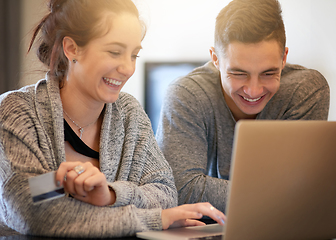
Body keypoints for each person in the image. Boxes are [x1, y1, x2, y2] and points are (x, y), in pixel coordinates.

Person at [0, 0, 226, 238]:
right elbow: (29, 211)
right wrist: (151, 219)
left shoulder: (129, 114)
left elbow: (165, 193)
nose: (128, 68)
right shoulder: (17, 112)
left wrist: (110, 195)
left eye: (134, 55)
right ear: (72, 48)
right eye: (115, 52)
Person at [156, 0, 330, 214]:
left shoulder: (305, 90)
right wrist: (282, 194)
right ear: (215, 59)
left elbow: (303, 190)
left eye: (268, 73)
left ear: (284, 58)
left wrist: (292, 193)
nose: (254, 91)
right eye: (239, 73)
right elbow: (180, 190)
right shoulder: (187, 94)